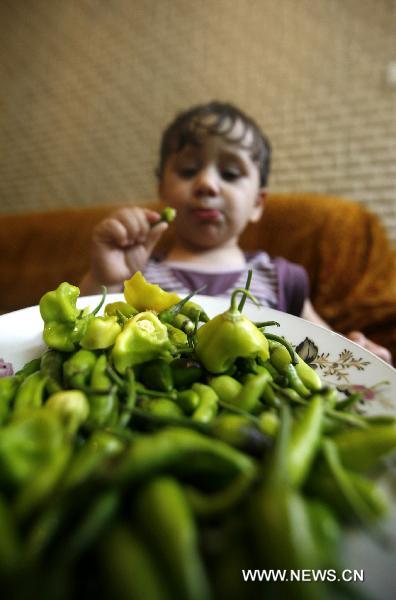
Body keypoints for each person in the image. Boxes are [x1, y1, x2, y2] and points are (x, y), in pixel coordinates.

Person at [80, 101, 392, 364]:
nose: (207, 184)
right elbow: (85, 336)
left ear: (257, 203)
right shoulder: (138, 276)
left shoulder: (279, 278)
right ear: (163, 189)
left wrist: (363, 356)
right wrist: (105, 278)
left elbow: (325, 356)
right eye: (188, 170)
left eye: (230, 173)